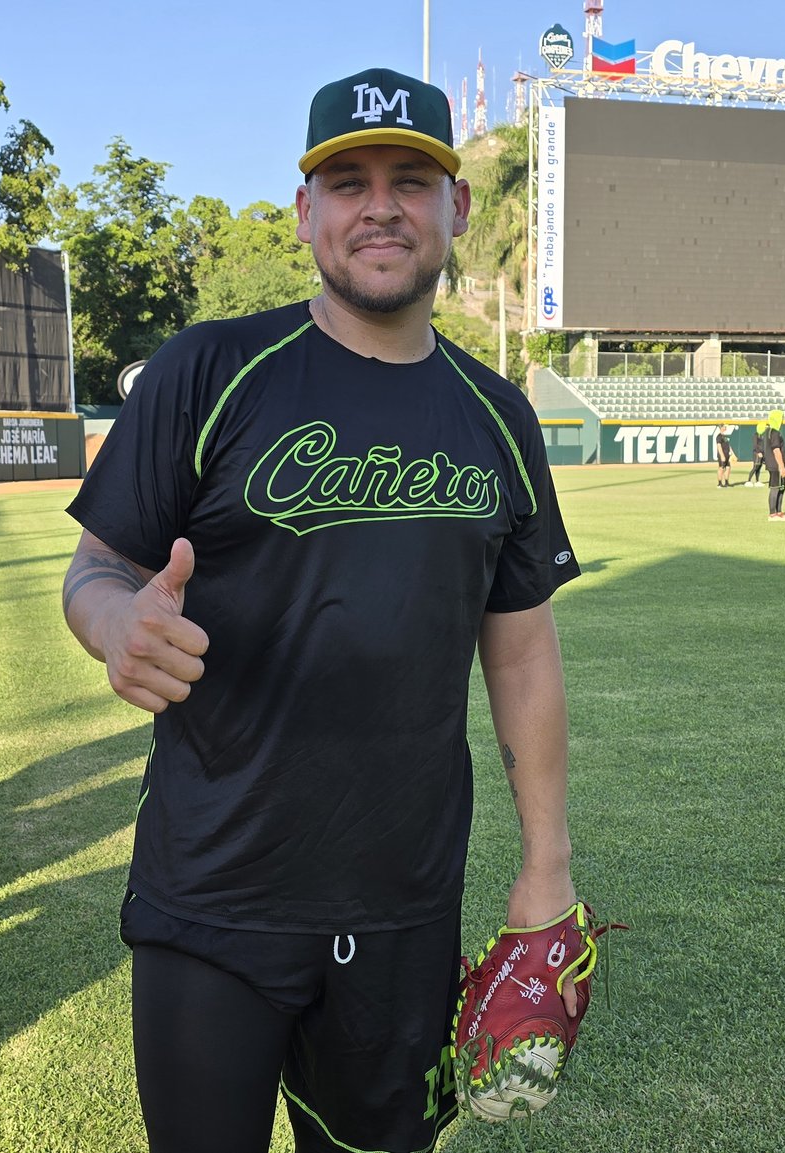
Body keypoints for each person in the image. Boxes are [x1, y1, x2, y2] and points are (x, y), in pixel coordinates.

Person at [60, 68, 583, 1153]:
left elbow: (522, 653)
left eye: (410, 178)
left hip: (402, 902)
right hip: (213, 892)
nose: (379, 205)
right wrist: (115, 625)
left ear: (456, 211)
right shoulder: (210, 370)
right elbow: (96, 569)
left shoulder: (498, 417)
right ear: (305, 213)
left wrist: (547, 866)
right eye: (346, 181)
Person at [762, 409, 785, 521]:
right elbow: (776, 450)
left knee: (782, 487)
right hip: (775, 466)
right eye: (781, 418)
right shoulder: (774, 432)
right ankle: (772, 514)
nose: (782, 420)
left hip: (776, 465)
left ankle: (779, 511)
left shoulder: (768, 431)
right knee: (775, 488)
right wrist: (781, 467)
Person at [740, 418, 767, 487]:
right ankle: (748, 481)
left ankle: (757, 481)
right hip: (757, 454)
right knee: (755, 467)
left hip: (762, 453)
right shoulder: (756, 435)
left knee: (759, 468)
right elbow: (755, 445)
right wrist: (758, 452)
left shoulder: (763, 435)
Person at [714, 421, 736, 488]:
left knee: (728, 468)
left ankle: (726, 483)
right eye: (724, 426)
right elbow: (719, 446)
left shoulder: (724, 436)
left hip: (727, 455)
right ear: (721, 427)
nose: (725, 427)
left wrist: (733, 454)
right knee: (721, 468)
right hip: (722, 455)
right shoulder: (719, 436)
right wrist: (722, 456)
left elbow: (729, 446)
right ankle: (719, 483)